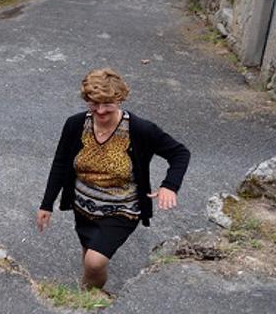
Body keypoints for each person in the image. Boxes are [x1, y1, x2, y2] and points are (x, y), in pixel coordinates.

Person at [36, 68, 190, 293]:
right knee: (90, 255)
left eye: (107, 104)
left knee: (94, 262)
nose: (100, 111)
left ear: (120, 99)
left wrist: (170, 185)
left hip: (122, 209)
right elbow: (60, 164)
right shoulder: (75, 125)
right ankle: (94, 295)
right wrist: (46, 204)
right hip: (84, 208)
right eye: (93, 103)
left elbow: (180, 153)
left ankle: (85, 299)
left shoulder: (138, 129)